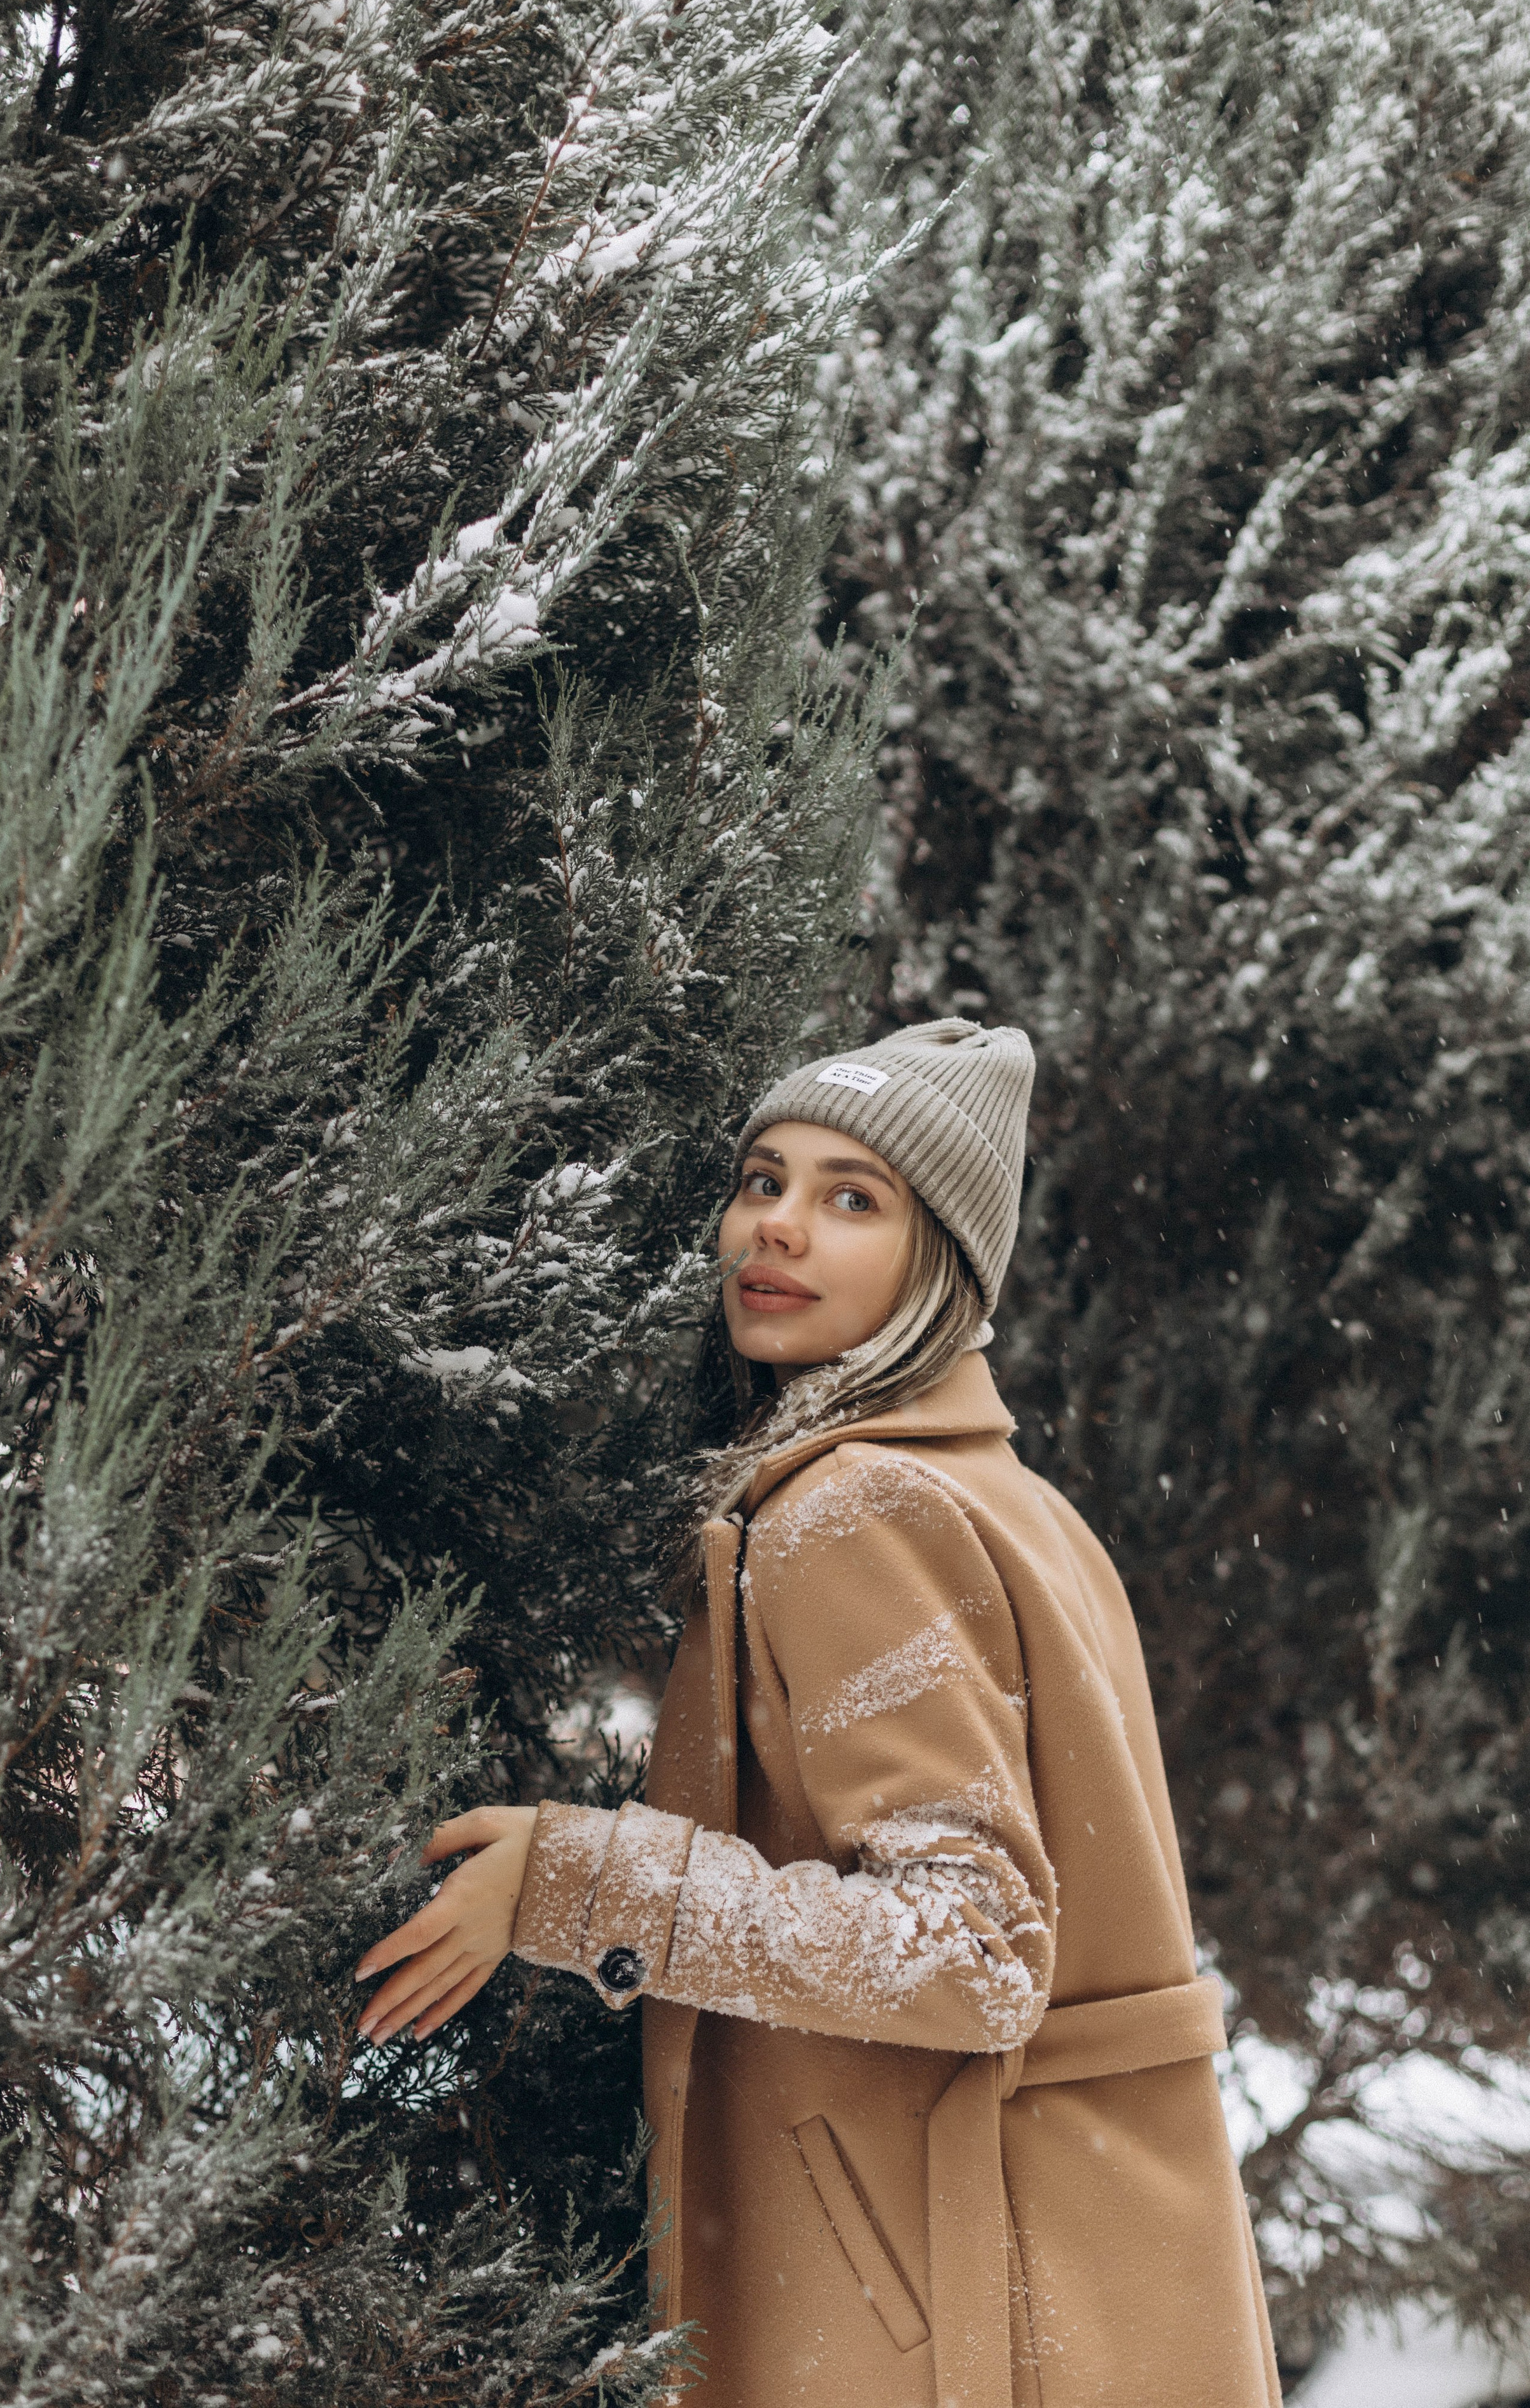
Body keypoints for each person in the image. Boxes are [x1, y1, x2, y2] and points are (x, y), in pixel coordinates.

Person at [354, 1019, 1284, 2408]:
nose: (776, 1227)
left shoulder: (850, 1514)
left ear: (940, 1266)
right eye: (761, 1180)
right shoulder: (1007, 1499)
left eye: (853, 1198)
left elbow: (970, 1946)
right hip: (1084, 2285)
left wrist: (580, 1877)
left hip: (949, 2307)